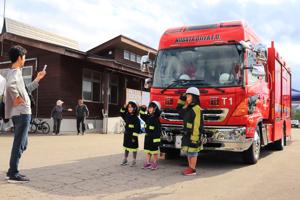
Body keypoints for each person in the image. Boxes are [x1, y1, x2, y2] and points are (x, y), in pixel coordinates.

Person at [5, 45, 46, 183]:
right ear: (19, 58)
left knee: (22, 143)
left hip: (20, 113)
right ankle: (13, 174)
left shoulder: (12, 72)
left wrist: (37, 80)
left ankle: (11, 171)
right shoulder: (16, 72)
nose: (24, 60)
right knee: (19, 143)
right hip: (22, 113)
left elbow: (25, 90)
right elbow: (10, 86)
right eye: (24, 57)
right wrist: (17, 98)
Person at [176, 87, 204, 175]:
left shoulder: (197, 109)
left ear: (194, 97)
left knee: (193, 152)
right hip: (186, 134)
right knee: (188, 151)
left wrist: (194, 138)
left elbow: (197, 125)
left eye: (189, 97)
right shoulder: (188, 107)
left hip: (192, 135)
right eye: (187, 97)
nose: (187, 99)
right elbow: (179, 109)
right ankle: (190, 167)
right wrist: (182, 98)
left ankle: (192, 169)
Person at [140, 101, 161, 170]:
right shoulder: (148, 117)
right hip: (148, 137)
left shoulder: (156, 119)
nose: (149, 109)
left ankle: (155, 163)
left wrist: (156, 140)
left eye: (151, 108)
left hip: (153, 137)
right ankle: (148, 163)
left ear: (155, 109)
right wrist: (143, 109)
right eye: (149, 108)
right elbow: (142, 116)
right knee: (148, 151)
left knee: (154, 151)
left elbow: (157, 131)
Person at [120, 101, 141, 167]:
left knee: (133, 148)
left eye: (131, 107)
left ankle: (134, 160)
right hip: (127, 135)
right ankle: (125, 159)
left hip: (132, 135)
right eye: (129, 107)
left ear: (134, 108)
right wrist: (124, 107)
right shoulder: (126, 116)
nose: (130, 108)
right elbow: (121, 113)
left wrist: (134, 137)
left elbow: (137, 128)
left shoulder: (135, 118)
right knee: (126, 147)